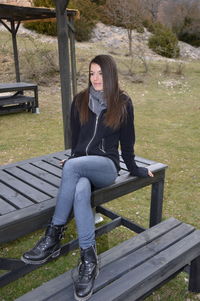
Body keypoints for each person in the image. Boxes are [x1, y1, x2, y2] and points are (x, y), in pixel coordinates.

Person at [21, 54, 154, 301]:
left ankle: (53, 236)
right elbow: (76, 138)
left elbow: (127, 143)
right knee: (80, 190)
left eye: (101, 73)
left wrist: (134, 168)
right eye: (92, 73)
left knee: (71, 168)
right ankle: (89, 262)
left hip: (106, 166)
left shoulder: (123, 102)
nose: (95, 79)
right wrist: (76, 158)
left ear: (110, 75)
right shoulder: (80, 100)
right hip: (82, 166)